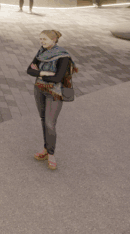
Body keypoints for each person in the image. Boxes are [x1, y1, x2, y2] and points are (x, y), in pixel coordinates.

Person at [27, 29, 77, 171]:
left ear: (54, 40)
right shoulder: (41, 52)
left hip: (54, 93)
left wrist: (39, 74)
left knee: (50, 123)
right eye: (40, 39)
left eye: (44, 39)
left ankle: (51, 154)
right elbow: (29, 70)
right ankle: (45, 149)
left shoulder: (63, 56)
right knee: (43, 119)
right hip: (39, 90)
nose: (41, 42)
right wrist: (44, 73)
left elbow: (57, 78)